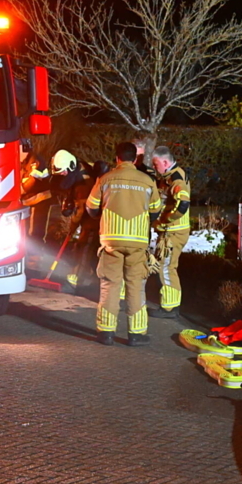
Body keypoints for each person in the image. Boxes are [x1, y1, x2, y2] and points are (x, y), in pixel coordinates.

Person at [85, 142, 162, 346]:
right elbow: (155, 210)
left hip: (111, 240)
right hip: (137, 242)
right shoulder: (147, 181)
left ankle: (106, 332)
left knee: (110, 285)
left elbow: (91, 207)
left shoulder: (105, 179)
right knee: (136, 287)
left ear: (117, 158)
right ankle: (136, 334)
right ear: (135, 158)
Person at [49, 150, 102, 291]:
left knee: (84, 246)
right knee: (85, 246)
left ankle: (77, 281)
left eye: (63, 172)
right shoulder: (78, 169)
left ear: (71, 166)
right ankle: (87, 277)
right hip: (90, 216)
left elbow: (83, 207)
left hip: (93, 218)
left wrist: (73, 224)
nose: (62, 175)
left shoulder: (84, 182)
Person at [149, 146, 191, 318]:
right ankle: (169, 305)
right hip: (170, 232)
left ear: (165, 162)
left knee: (166, 267)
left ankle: (169, 308)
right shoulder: (167, 177)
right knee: (166, 266)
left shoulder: (176, 179)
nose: (154, 167)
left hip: (174, 232)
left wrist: (164, 221)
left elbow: (183, 203)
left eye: (156, 163)